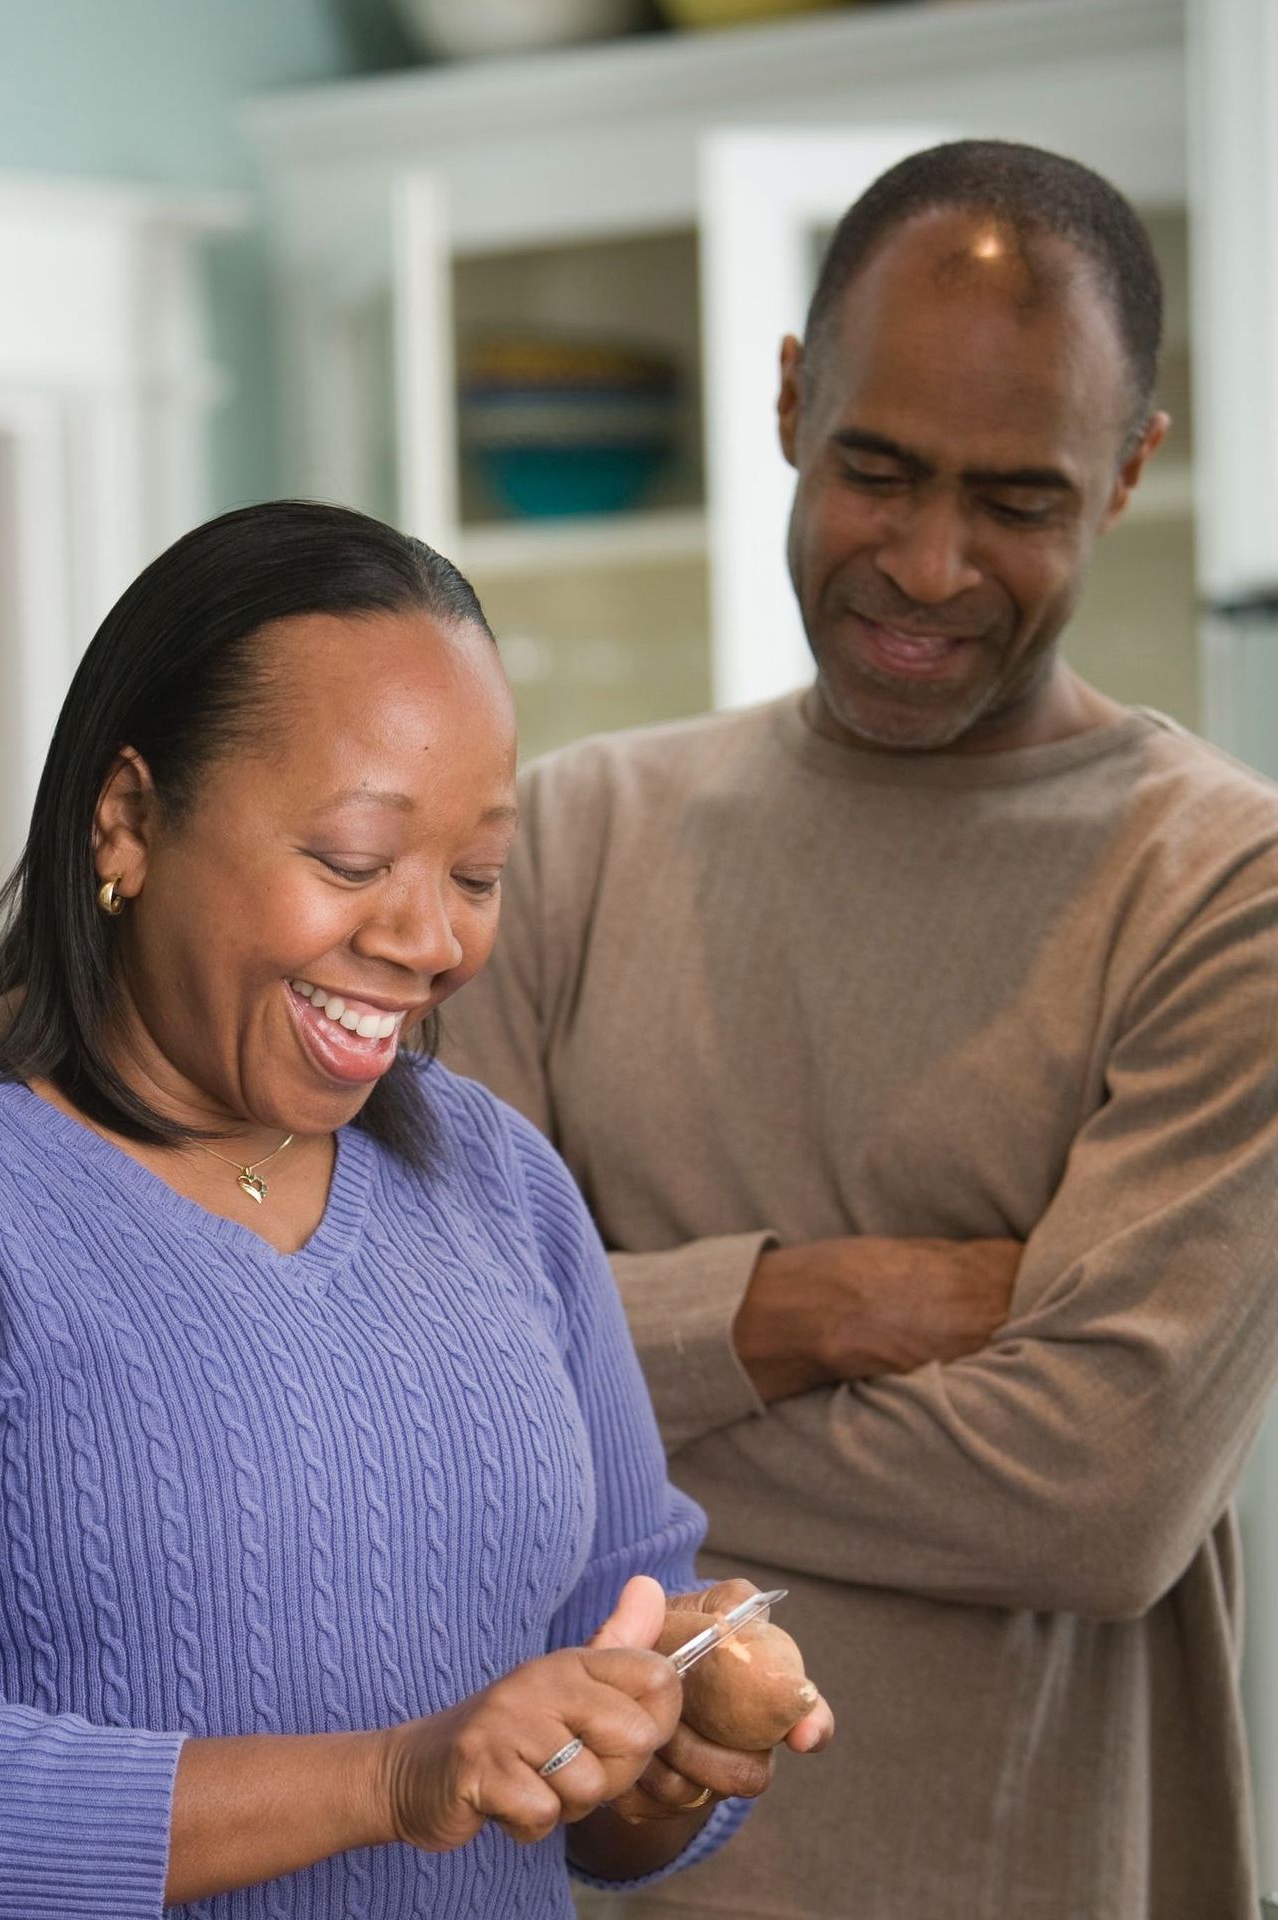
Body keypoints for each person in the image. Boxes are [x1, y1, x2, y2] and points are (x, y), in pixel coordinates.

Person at [0, 501, 832, 1920]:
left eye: (475, 875)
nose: (428, 939)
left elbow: (587, 1778)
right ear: (129, 819)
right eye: (352, 860)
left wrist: (673, 1754)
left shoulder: (500, 1183)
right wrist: (394, 1778)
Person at [441, 139, 1278, 1920]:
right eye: (877, 470)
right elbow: (430, 1389)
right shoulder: (571, 838)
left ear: (1131, 472)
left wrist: (600, 1358)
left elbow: (1096, 1496)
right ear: (788, 401)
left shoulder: (1225, 889)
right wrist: (803, 1307)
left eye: (1020, 500)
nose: (930, 562)